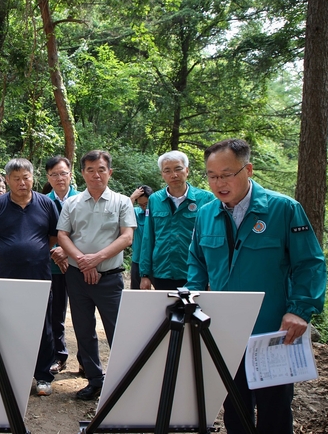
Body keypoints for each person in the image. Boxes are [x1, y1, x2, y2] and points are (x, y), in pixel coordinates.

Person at [186, 139, 326, 434]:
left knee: (274, 411)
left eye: (227, 174)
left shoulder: (283, 209)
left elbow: (310, 263)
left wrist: (300, 310)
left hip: (272, 332)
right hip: (224, 331)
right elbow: (196, 262)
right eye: (212, 176)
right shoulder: (206, 214)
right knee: (235, 410)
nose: (219, 183)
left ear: (247, 170)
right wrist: (193, 297)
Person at [56, 150, 136, 400]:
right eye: (90, 170)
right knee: (83, 329)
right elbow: (63, 235)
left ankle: (125, 381)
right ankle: (95, 379)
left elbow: (126, 236)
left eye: (101, 169)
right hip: (77, 277)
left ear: (109, 172)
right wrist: (83, 262)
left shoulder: (122, 201)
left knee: (117, 330)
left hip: (110, 277)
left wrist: (96, 259)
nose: (96, 174)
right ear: (82, 173)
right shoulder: (72, 203)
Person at [0, 158, 59, 397]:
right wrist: (11, 252)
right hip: (7, 275)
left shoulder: (46, 204)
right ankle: (11, 373)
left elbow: (53, 237)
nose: (22, 182)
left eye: (26, 177)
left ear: (33, 178)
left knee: (43, 325)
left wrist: (32, 251)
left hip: (39, 274)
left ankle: (44, 375)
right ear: (7, 180)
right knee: (9, 323)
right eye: (16, 178)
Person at [139, 150, 214, 290]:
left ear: (187, 170)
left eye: (178, 169)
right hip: (163, 272)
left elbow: (211, 241)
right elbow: (148, 237)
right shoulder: (155, 200)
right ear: (162, 174)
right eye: (167, 170)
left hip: (195, 273)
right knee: (165, 311)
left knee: (195, 311)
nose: (173, 175)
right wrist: (144, 274)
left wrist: (211, 277)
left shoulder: (206, 199)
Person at [44, 155, 80, 375]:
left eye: (63, 173)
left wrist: (66, 251)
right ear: (48, 177)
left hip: (79, 264)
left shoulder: (83, 199)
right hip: (53, 267)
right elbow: (38, 234)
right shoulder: (42, 201)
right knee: (55, 313)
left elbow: (88, 231)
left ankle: (86, 359)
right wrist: (55, 253)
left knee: (83, 314)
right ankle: (59, 356)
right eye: (54, 174)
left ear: (70, 174)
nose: (59, 178)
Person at [128, 185, 153, 290]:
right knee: (136, 292)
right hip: (138, 260)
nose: (144, 207)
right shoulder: (136, 213)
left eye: (146, 204)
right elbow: (122, 212)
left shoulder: (159, 214)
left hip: (156, 260)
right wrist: (132, 198)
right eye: (141, 205)